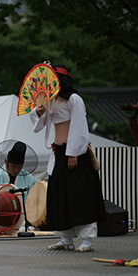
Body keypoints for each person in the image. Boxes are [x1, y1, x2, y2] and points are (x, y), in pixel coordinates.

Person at [30, 63, 106, 252]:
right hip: (58, 154)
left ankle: (87, 240)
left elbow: (80, 127)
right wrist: (38, 112)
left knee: (79, 196)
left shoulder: (74, 99)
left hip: (75, 154)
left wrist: (74, 153)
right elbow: (38, 124)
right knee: (59, 196)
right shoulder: (50, 100)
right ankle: (65, 238)